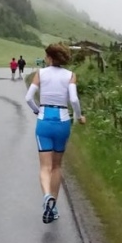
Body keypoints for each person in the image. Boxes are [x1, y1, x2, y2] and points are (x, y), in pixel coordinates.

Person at [25, 43, 86, 224]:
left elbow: (28, 98)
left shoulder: (41, 73)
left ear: (50, 57)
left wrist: (37, 110)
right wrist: (78, 116)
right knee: (57, 166)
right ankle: (54, 206)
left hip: (44, 120)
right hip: (62, 121)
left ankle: (47, 197)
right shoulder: (70, 75)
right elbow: (73, 99)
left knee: (45, 167)